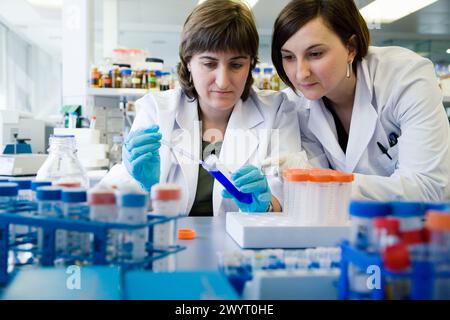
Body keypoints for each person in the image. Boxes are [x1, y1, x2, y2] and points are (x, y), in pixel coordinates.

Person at [101, 0, 301, 216]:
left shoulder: (277, 111)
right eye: (209, 63)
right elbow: (109, 200)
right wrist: (143, 185)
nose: (223, 81)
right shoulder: (157, 111)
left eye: (236, 65)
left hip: (245, 246)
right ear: (188, 61)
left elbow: (294, 197)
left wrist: (266, 205)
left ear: (251, 64)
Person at [270, 0, 450, 201]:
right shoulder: (296, 104)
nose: (301, 73)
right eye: (289, 57)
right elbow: (313, 196)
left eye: (315, 54)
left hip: (416, 225)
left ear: (351, 48)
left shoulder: (405, 77)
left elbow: (427, 187)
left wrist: (324, 181)